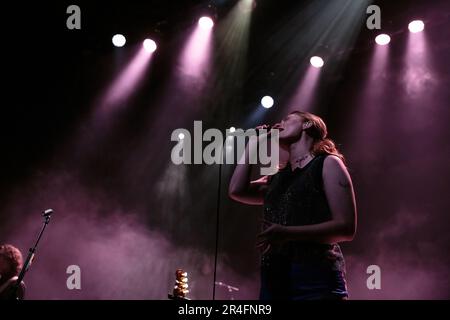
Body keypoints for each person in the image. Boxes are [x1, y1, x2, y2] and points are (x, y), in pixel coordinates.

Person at [228, 111, 357, 300]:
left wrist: (287, 233)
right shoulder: (277, 178)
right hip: (275, 277)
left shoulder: (328, 163)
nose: (280, 124)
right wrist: (252, 145)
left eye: (286, 120)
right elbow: (236, 190)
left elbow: (346, 228)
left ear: (307, 124)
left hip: (314, 277)